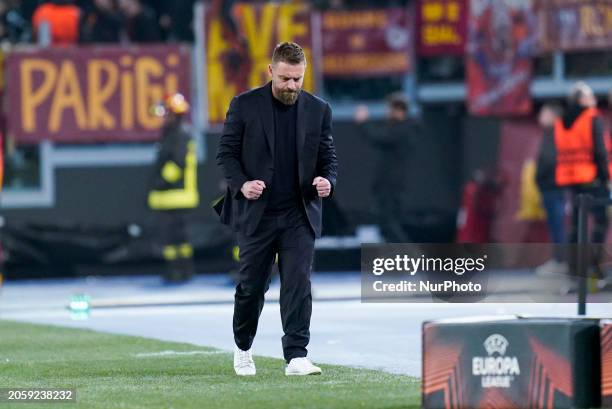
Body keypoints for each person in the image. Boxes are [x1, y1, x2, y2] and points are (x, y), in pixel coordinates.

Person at [216, 42, 337, 376]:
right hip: (258, 214)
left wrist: (327, 180)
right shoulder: (244, 105)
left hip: (299, 213)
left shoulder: (318, 109)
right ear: (271, 71)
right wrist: (242, 184)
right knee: (252, 287)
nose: (292, 86)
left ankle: (296, 355)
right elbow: (226, 155)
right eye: (285, 78)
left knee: (298, 282)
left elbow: (329, 158)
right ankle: (243, 348)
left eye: (298, 79)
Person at [554, 82, 609, 286]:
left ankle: (574, 270)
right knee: (600, 221)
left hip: (569, 178)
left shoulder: (561, 121)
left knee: (577, 225)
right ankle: (594, 266)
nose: (593, 99)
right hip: (591, 177)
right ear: (581, 99)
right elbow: (599, 151)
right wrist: (605, 178)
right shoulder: (591, 117)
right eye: (590, 96)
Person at [147, 93, 199, 283]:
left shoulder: (181, 134)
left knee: (179, 237)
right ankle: (174, 270)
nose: (162, 118)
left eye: (165, 113)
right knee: (169, 238)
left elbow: (177, 164)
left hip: (178, 196)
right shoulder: (171, 133)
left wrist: (161, 181)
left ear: (173, 114)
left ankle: (182, 270)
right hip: (168, 198)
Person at [354, 93, 418, 242]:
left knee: (389, 224)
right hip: (387, 184)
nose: (386, 113)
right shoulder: (400, 129)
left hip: (392, 185)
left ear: (398, 110)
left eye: (389, 109)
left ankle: (409, 258)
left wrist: (363, 122)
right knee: (385, 225)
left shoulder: (404, 130)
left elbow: (378, 136)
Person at [534, 103, 568, 275]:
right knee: (556, 226)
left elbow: (549, 160)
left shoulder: (556, 134)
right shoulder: (550, 134)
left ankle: (561, 262)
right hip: (550, 187)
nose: (540, 116)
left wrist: (541, 178)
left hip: (554, 187)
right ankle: (560, 261)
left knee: (558, 227)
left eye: (544, 112)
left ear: (554, 117)